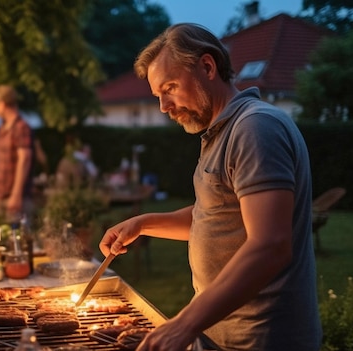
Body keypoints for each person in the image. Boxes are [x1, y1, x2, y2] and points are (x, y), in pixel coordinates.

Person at [99, 24, 321, 351]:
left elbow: (271, 244)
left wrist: (185, 323)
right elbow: (216, 217)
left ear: (207, 67)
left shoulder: (255, 128)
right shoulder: (222, 133)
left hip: (260, 339)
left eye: (170, 87)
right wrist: (143, 224)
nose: (163, 106)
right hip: (217, 333)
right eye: (158, 94)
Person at [0, 84, 33, 223]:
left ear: (2, 104)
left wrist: (16, 194)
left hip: (12, 196)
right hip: (0, 194)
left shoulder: (21, 127)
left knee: (16, 238)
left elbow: (24, 159)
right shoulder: (3, 126)